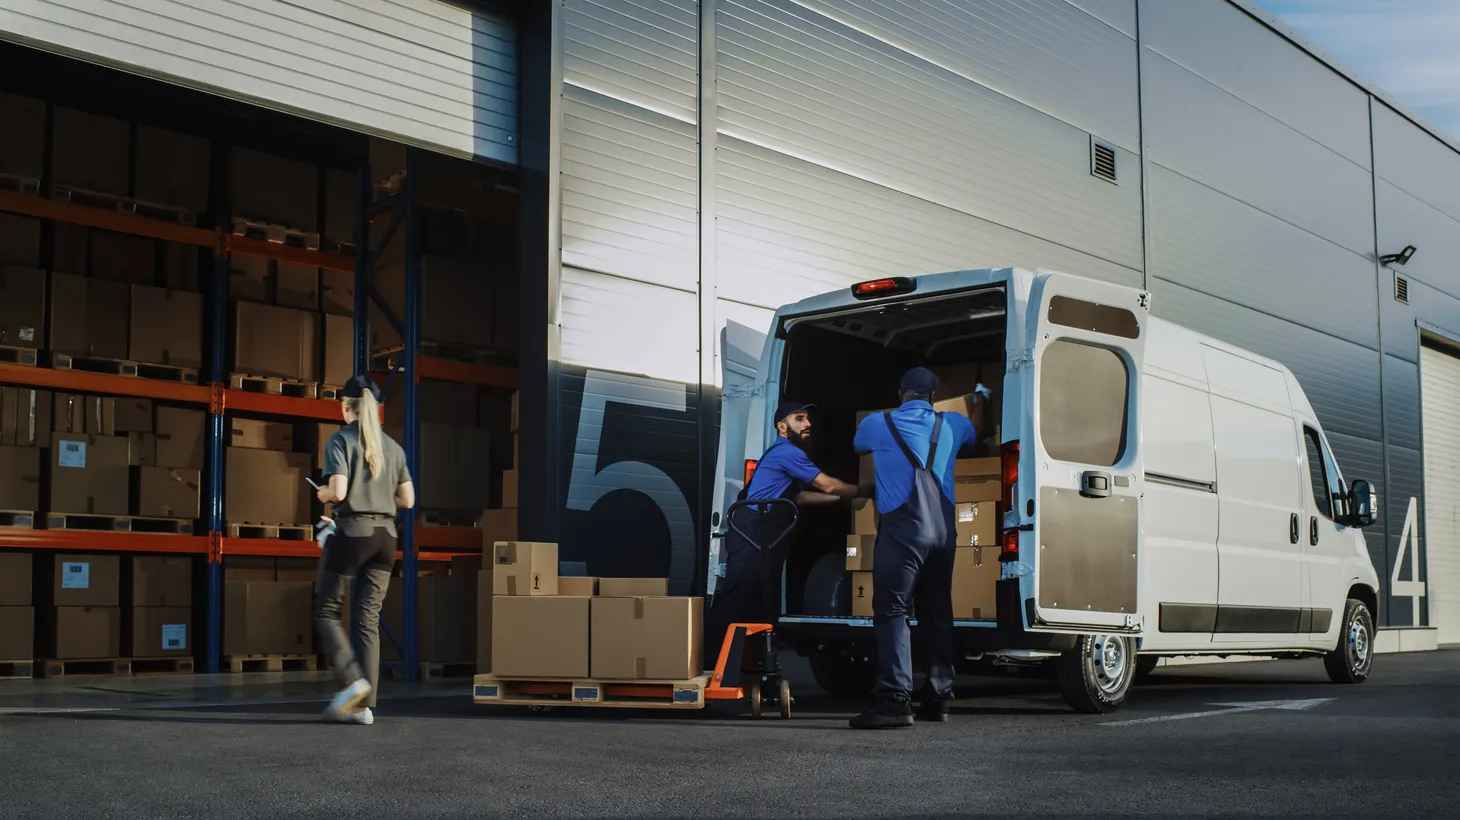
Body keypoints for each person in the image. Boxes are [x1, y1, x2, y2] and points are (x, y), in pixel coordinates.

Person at [849, 367, 988, 730]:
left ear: (901, 393)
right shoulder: (955, 425)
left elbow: (857, 445)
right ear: (932, 396)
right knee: (937, 611)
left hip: (902, 531)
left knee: (893, 610)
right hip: (943, 532)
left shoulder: (879, 423)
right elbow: (977, 433)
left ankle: (894, 700)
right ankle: (939, 696)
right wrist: (981, 400)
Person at [313, 375, 415, 725]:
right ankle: (364, 705)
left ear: (346, 407)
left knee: (327, 610)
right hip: (386, 538)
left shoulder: (340, 441)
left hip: (353, 532)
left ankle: (352, 680)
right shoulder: (394, 448)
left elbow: (338, 492)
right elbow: (408, 500)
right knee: (367, 619)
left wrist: (323, 494)